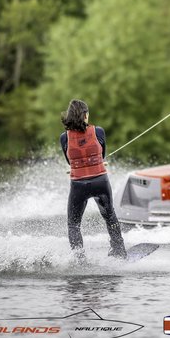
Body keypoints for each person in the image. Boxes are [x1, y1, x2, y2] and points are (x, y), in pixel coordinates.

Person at [60, 99, 126, 260]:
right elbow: (102, 155)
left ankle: (79, 259)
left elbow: (69, 161)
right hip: (100, 182)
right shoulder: (99, 131)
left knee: (74, 225)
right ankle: (119, 251)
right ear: (85, 115)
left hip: (78, 185)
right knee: (110, 216)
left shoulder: (64, 138)